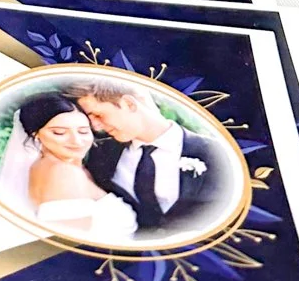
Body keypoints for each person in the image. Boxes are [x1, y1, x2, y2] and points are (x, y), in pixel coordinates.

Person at [73, 78, 227, 236]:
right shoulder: (102, 154)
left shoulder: (217, 153)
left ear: (129, 104)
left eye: (98, 115)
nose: (96, 127)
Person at [0, 91, 139, 245]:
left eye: (83, 131)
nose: (77, 141)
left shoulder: (50, 166)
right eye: (59, 132)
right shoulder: (63, 173)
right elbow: (71, 245)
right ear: (36, 134)